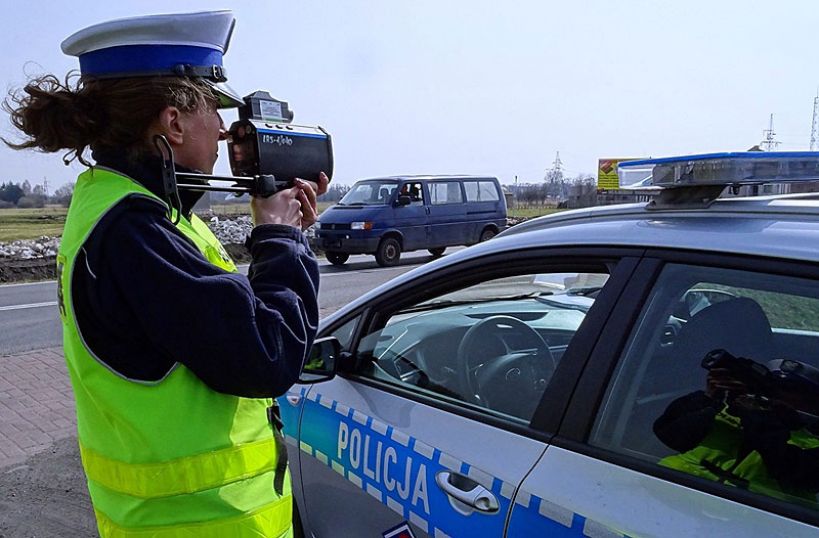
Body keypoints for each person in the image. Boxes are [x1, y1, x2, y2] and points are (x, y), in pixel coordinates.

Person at [4, 10, 327, 537]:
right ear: (173, 123)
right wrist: (280, 238)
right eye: (213, 109)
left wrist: (280, 229)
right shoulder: (136, 232)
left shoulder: (123, 207)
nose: (222, 130)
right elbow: (268, 356)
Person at [654, 351, 819, 505]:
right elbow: (667, 434)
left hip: (754, 517)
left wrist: (759, 415)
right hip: (666, 492)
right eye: (774, 387)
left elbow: (793, 471)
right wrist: (709, 398)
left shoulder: (812, 444)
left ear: (813, 403)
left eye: (790, 389)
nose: (777, 394)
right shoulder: (724, 410)